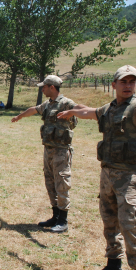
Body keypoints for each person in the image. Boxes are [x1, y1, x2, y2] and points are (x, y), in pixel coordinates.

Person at [57, 65, 136, 270]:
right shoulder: (109, 108)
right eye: (123, 81)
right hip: (108, 175)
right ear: (114, 85)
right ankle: (113, 262)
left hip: (130, 177)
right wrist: (72, 111)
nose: (128, 86)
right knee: (109, 220)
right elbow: (90, 112)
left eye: (132, 81)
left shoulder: (135, 107)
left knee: (130, 225)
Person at [11, 75, 85, 233]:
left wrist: (71, 113)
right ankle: (55, 216)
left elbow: (80, 110)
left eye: (44, 87)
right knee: (50, 181)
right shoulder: (48, 104)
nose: (42, 89)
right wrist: (20, 116)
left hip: (61, 151)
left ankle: (63, 221)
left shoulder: (66, 103)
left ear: (52, 87)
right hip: (49, 149)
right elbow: (34, 109)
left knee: (61, 183)